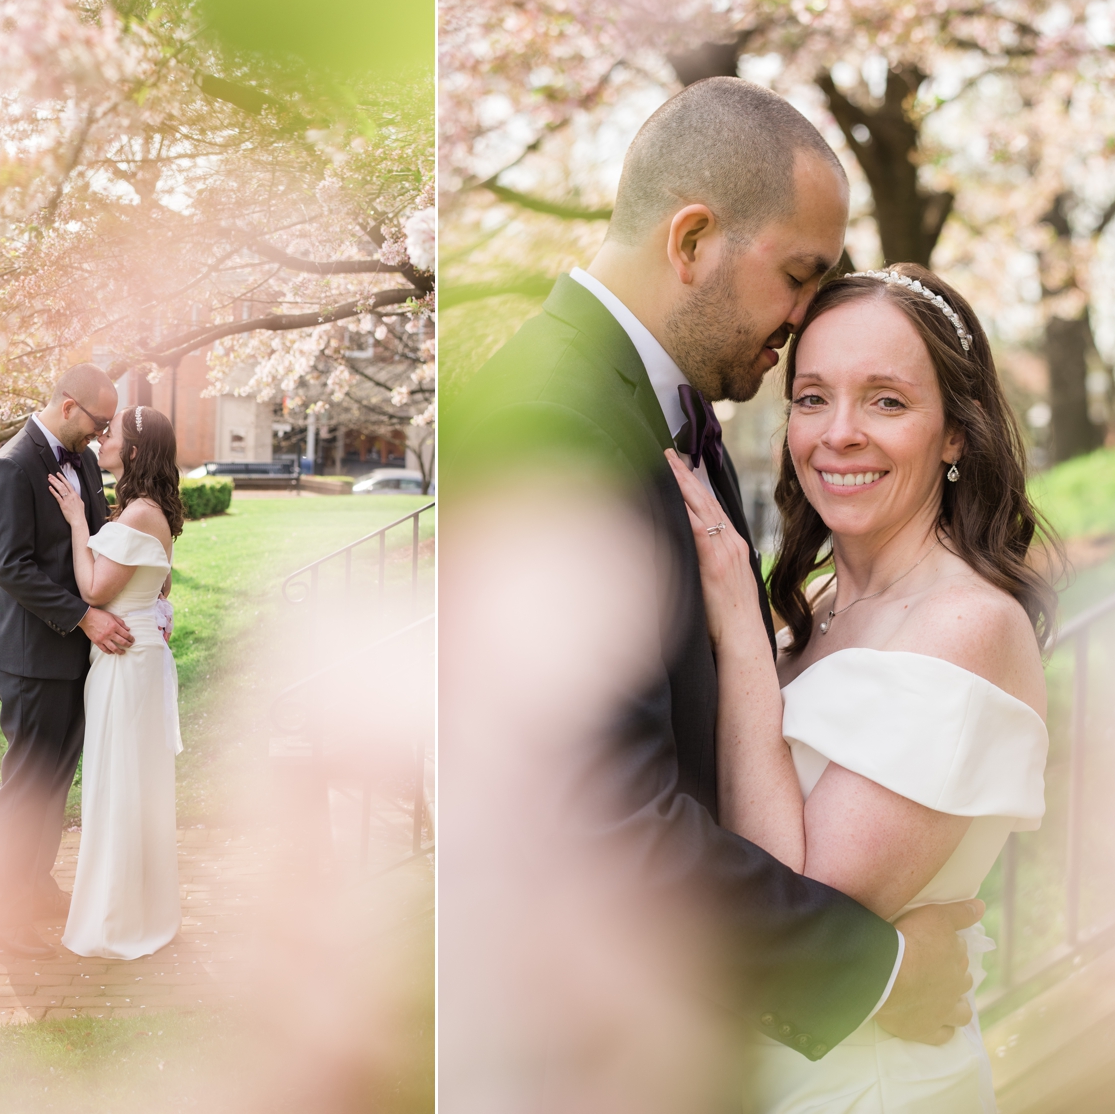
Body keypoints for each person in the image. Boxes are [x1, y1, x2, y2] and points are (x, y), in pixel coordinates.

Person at [450, 78, 984, 1087]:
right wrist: (879, 970)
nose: (804, 317)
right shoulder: (557, 425)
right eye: (798, 275)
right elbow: (599, 824)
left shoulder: (662, 416)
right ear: (692, 241)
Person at [671, 264, 1053, 1110]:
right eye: (813, 398)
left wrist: (736, 628)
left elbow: (803, 920)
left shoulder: (966, 626)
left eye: (886, 400)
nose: (839, 433)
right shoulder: (818, 604)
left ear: (955, 433)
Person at [0, 364, 135, 960]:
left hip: (76, 657)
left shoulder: (86, 463)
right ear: (69, 406)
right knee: (26, 787)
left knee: (55, 782)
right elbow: (11, 565)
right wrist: (82, 617)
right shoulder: (11, 466)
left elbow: (95, 539)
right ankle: (5, 914)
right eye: (98, 423)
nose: (102, 437)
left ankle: (36, 885)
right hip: (31, 656)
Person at [49, 403, 185, 959]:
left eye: (112, 435)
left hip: (126, 666)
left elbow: (93, 591)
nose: (101, 440)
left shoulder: (138, 514)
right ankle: (136, 906)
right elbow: (162, 589)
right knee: (129, 783)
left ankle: (120, 919)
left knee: (121, 785)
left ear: (131, 451)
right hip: (138, 659)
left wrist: (80, 521)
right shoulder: (148, 510)